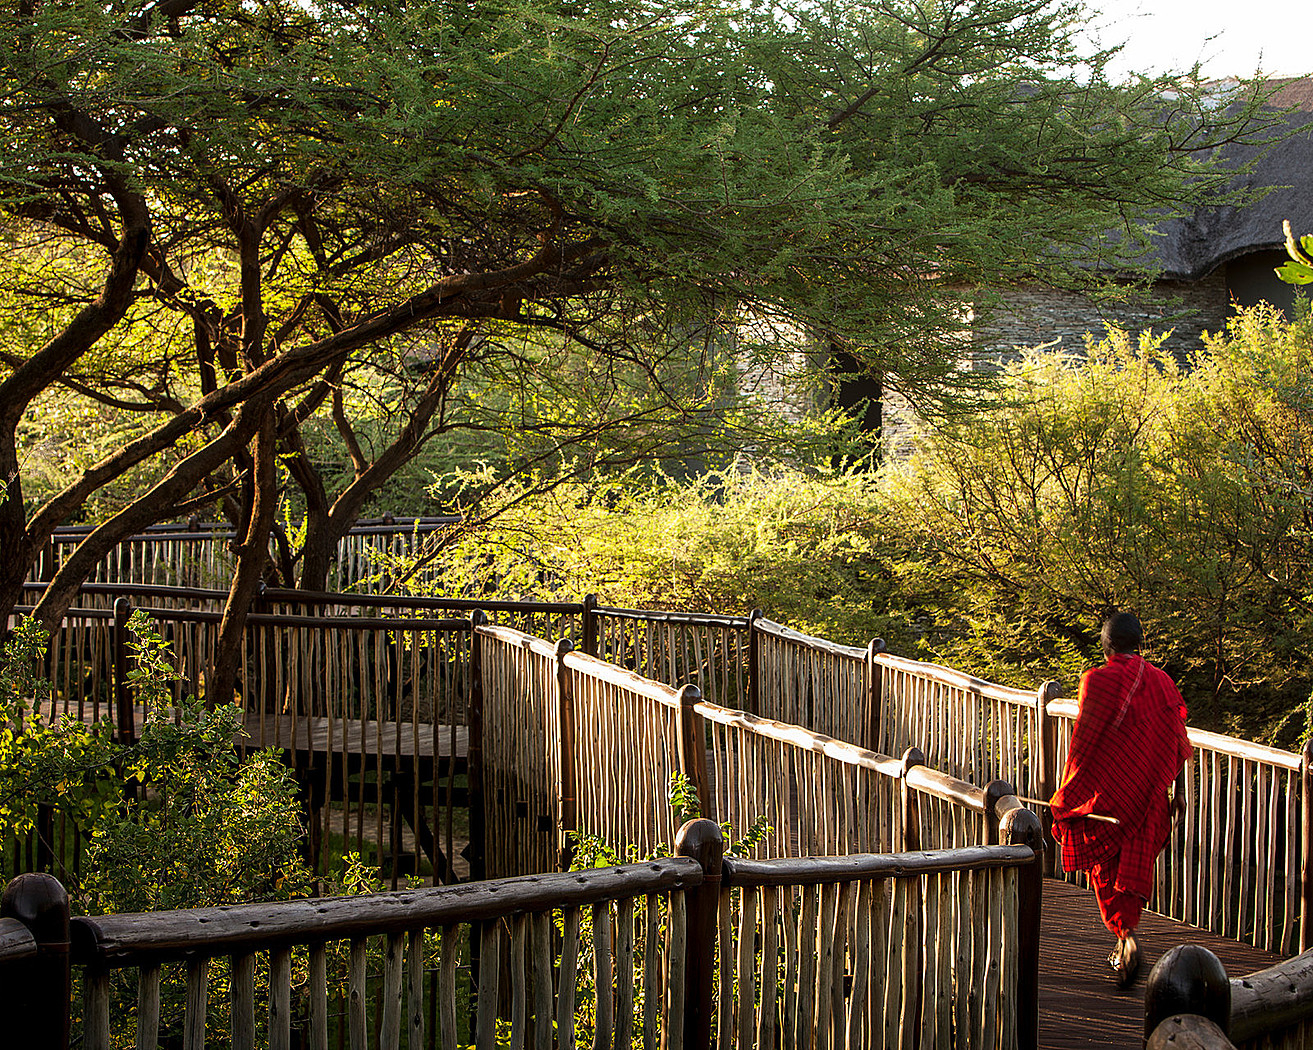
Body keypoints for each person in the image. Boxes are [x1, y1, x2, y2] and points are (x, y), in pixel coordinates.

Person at [1049, 611, 1191, 988]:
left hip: (1108, 799)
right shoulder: (1162, 683)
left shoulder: (1097, 681)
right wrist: (1179, 791)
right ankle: (1125, 937)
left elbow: (1084, 744)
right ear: (1139, 643)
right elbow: (1177, 739)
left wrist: (1068, 794)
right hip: (1149, 798)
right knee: (1131, 867)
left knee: (1105, 870)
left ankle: (1126, 938)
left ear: (1106, 646)